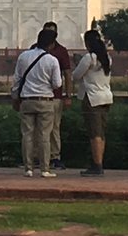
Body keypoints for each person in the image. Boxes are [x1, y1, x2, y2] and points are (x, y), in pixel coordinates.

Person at [11, 28, 62, 178]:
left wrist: (15, 97)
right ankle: (45, 169)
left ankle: (28, 168)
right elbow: (57, 84)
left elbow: (17, 80)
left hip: (27, 100)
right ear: (51, 44)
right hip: (45, 100)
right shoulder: (52, 60)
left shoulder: (24, 57)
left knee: (27, 134)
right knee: (44, 135)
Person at [72, 29, 113, 176]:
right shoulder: (107, 57)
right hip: (106, 97)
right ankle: (99, 162)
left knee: (94, 133)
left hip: (92, 98)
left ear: (88, 43)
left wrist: (77, 63)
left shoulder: (89, 58)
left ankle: (97, 165)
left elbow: (76, 76)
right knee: (101, 133)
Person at [40, 20, 72, 170]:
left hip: (55, 96)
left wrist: (68, 95)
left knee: (54, 127)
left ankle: (55, 156)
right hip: (37, 94)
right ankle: (35, 157)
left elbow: (67, 73)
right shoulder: (34, 50)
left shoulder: (61, 51)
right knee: (36, 128)